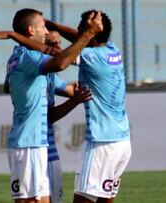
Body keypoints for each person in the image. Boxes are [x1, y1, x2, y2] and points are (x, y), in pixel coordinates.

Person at [0, 8, 103, 203]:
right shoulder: (28, 57)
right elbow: (61, 63)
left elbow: (10, 86)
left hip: (36, 145)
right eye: (43, 28)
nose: (47, 33)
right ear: (31, 30)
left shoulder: (23, 59)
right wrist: (88, 34)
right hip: (29, 144)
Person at [45, 10, 132, 203]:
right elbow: (79, 39)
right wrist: (54, 25)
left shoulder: (91, 56)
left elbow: (61, 58)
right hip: (122, 142)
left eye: (81, 27)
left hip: (101, 142)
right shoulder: (112, 50)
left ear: (91, 32)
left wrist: (16, 37)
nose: (77, 31)